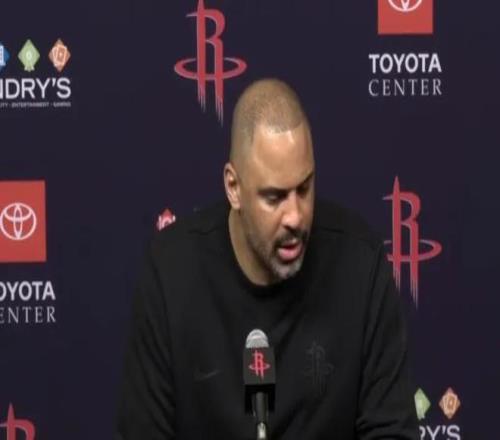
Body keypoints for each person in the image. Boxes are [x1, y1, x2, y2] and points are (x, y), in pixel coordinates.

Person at [116, 79, 418, 439]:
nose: (296, 217)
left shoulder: (360, 264)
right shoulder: (171, 274)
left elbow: (391, 430)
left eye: (304, 188)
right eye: (274, 198)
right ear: (234, 187)